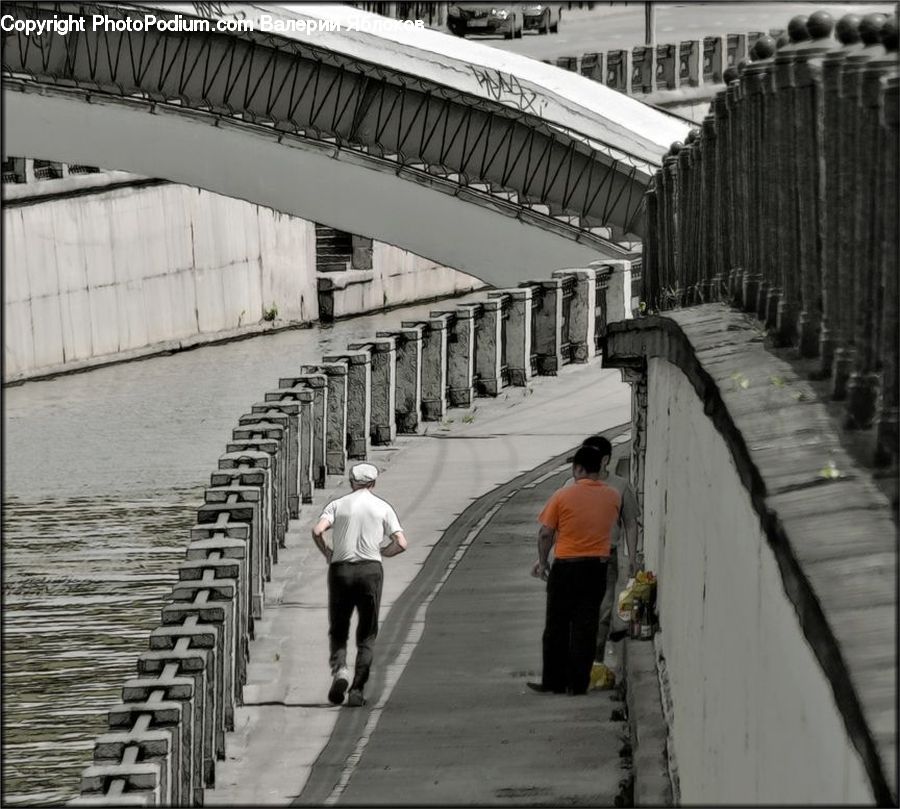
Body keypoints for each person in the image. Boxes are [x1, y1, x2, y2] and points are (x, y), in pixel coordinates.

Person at [311, 463, 408, 707]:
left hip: (341, 570)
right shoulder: (383, 507)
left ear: (351, 482)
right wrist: (385, 551)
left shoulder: (337, 505)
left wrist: (327, 553)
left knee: (339, 626)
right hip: (370, 571)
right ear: (373, 483)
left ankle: (341, 670)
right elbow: (402, 543)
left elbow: (317, 530)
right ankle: (356, 690)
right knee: (367, 633)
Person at [528, 445, 621, 695]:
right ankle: (578, 684)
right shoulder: (613, 496)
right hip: (596, 568)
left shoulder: (562, 496)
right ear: (599, 468)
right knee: (586, 625)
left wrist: (542, 561)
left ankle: (554, 682)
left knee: (557, 626)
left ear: (578, 469)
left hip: (566, 567)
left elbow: (546, 533)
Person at [578, 435, 641, 663]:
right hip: (575, 559)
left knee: (603, 611)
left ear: (605, 460)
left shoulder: (620, 486)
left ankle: (594, 661)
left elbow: (631, 523)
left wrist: (632, 556)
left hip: (606, 558)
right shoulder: (571, 484)